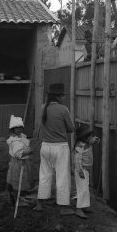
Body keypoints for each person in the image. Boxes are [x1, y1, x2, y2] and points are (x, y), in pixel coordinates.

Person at [34, 83, 75, 215]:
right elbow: (71, 129)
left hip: (45, 146)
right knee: (62, 176)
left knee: (44, 175)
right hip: (60, 147)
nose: (64, 97)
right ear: (58, 96)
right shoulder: (63, 109)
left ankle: (39, 204)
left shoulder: (43, 108)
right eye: (63, 95)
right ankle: (63, 207)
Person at [74, 124, 100, 219]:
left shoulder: (86, 143)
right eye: (90, 136)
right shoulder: (80, 146)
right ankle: (79, 209)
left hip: (86, 170)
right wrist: (80, 171)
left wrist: (95, 139)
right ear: (84, 137)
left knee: (85, 188)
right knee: (82, 189)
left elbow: (93, 142)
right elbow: (77, 160)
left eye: (92, 136)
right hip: (81, 170)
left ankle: (83, 206)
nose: (92, 138)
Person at [6, 115, 33, 207]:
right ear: (13, 129)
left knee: (19, 180)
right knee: (19, 180)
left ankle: (17, 197)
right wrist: (29, 151)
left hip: (22, 163)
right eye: (16, 128)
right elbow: (18, 154)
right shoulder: (14, 141)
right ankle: (18, 199)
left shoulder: (21, 137)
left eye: (20, 127)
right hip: (19, 163)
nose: (19, 129)